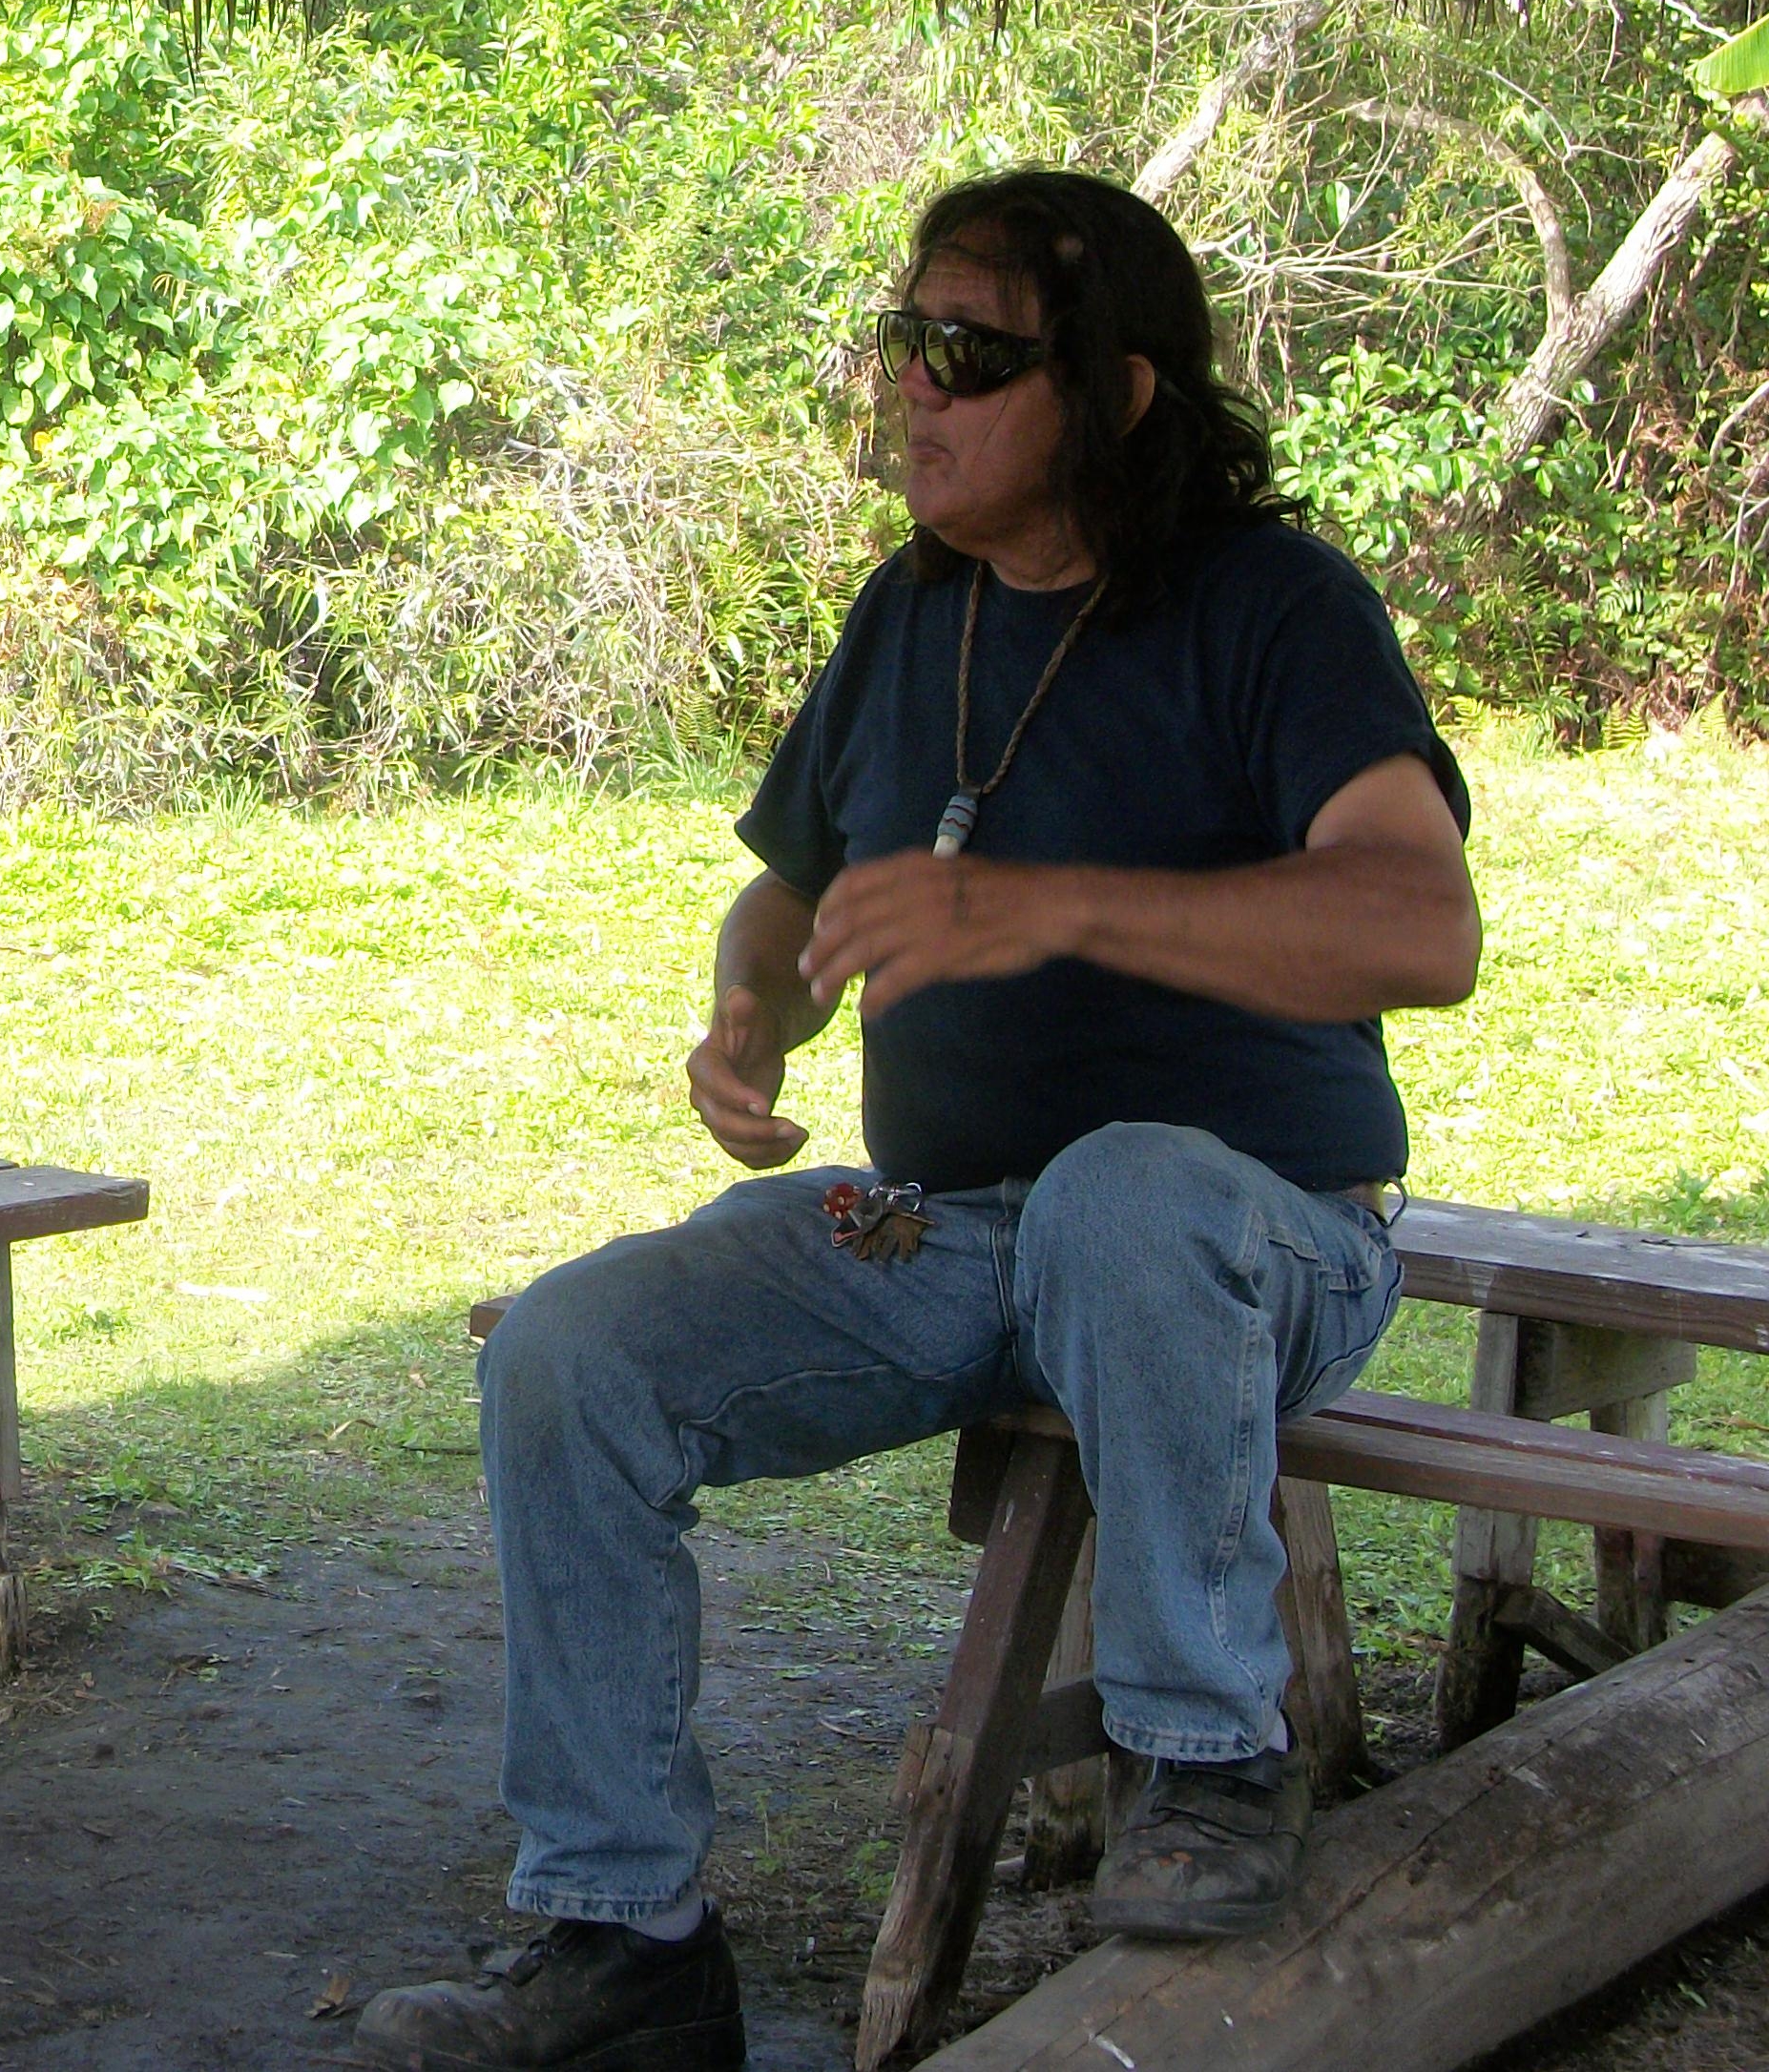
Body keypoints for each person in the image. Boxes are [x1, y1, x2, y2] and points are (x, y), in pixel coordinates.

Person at [359, 173, 1481, 2072]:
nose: (911, 388)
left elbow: (1418, 926)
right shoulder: (910, 615)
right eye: (902, 341)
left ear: (1117, 398)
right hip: (940, 1228)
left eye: (968, 352)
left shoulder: (1268, 607)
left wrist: (1044, 905)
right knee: (566, 1356)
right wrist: (749, 1008)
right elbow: (791, 892)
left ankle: (1205, 1764)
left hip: (1251, 1235)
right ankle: (620, 1939)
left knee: (1124, 1192)